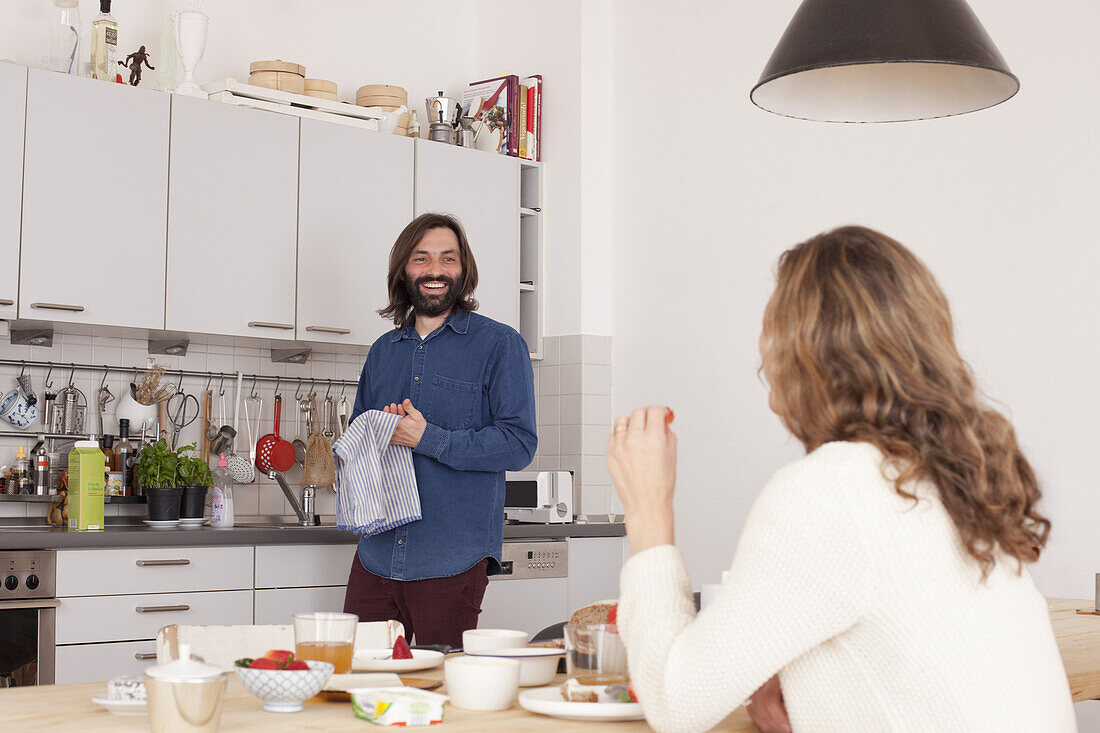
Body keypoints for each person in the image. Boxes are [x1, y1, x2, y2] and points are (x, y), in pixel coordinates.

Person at [607, 226, 1076, 732]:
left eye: (773, 321)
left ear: (805, 349)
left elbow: (676, 703)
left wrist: (648, 509)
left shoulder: (831, 491)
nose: (760, 345)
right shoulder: (956, 478)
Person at [342, 212, 537, 648]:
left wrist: (425, 437)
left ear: (463, 269)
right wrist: (379, 431)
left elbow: (519, 443)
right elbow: (358, 438)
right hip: (376, 555)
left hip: (451, 559)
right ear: (404, 270)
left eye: (447, 259)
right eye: (421, 258)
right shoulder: (382, 351)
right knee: (359, 683)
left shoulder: (500, 345)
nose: (434, 270)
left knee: (442, 695)